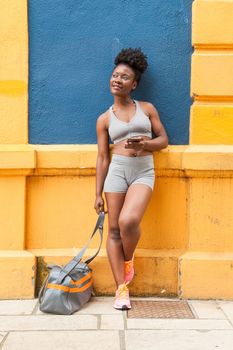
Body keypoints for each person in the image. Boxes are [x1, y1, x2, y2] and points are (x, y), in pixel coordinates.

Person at [94, 48, 168, 310]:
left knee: (128, 221)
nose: (117, 79)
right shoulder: (104, 119)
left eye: (124, 77)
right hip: (116, 172)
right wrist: (97, 194)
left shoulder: (146, 109)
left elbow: (164, 141)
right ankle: (121, 290)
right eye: (115, 75)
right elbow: (103, 157)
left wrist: (146, 146)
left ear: (134, 84)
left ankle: (128, 258)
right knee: (113, 231)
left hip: (143, 171)